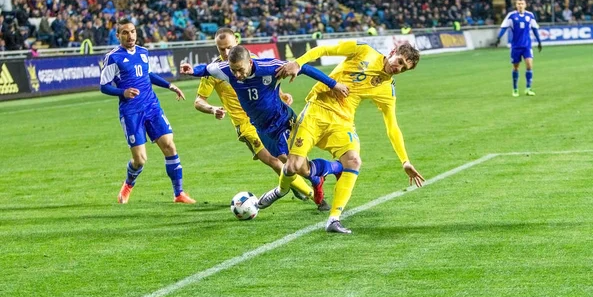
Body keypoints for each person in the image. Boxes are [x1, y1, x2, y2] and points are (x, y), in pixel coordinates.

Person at [259, 40, 425, 234]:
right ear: (393, 51)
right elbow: (325, 49)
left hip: (342, 122)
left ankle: (334, 219)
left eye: (404, 68)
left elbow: (392, 125)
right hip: (316, 110)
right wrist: (298, 62)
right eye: (400, 61)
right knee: (293, 167)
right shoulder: (363, 51)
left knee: (353, 161)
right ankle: (282, 189)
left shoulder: (387, 89)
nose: (399, 68)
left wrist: (405, 160)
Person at [180, 45, 349, 209]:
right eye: (234, 70)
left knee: (292, 164)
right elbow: (206, 69)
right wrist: (192, 70)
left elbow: (303, 68)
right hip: (262, 128)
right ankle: (318, 178)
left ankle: (337, 168)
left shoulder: (270, 68)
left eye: (240, 69)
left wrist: (334, 85)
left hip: (282, 120)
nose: (237, 75)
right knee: (296, 166)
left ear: (250, 63)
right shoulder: (225, 70)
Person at [100, 18, 195, 204]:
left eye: (133, 31)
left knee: (169, 145)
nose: (130, 36)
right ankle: (128, 184)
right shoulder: (113, 57)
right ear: (118, 35)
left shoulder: (143, 52)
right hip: (131, 112)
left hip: (152, 106)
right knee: (140, 160)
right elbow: (103, 86)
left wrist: (170, 85)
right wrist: (123, 92)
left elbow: (148, 75)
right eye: (125, 33)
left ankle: (179, 194)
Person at [495, 0, 542, 97]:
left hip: (527, 46)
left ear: (525, 5)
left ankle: (528, 89)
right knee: (516, 67)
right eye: (518, 4)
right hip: (516, 46)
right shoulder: (511, 16)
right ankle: (515, 89)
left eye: (522, 4)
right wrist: (498, 38)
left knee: (529, 64)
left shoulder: (530, 15)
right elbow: (504, 27)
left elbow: (534, 29)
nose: (520, 5)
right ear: (516, 5)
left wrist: (539, 41)